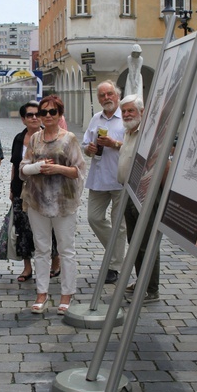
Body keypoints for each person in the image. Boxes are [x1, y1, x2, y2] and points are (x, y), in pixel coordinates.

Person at [21, 95, 85, 315]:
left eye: (52, 112)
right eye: (43, 112)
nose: (47, 116)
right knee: (41, 249)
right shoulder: (35, 139)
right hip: (37, 200)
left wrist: (57, 169)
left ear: (60, 115)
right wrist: (37, 167)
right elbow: (23, 168)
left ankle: (66, 295)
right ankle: (41, 294)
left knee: (66, 250)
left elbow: (79, 170)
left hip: (63, 201)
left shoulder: (69, 139)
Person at [82, 80, 128, 284]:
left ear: (117, 95)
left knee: (120, 225)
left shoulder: (126, 117)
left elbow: (136, 146)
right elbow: (85, 143)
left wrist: (115, 144)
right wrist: (88, 149)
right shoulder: (95, 119)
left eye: (110, 94)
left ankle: (115, 266)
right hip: (99, 177)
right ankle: (118, 254)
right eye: (102, 95)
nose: (106, 98)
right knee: (94, 218)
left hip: (121, 178)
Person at [117, 95, 161, 303]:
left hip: (145, 193)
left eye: (130, 111)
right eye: (124, 111)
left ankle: (151, 289)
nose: (126, 114)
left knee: (145, 243)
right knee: (134, 241)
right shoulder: (129, 132)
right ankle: (141, 280)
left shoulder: (148, 134)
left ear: (142, 112)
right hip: (128, 191)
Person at [10, 101, 60, 282]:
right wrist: (11, 187)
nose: (33, 118)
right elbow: (15, 164)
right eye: (29, 115)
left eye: (36, 114)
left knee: (49, 228)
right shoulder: (18, 138)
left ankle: (55, 262)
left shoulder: (47, 137)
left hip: (44, 190)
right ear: (23, 119)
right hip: (21, 189)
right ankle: (27, 267)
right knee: (23, 228)